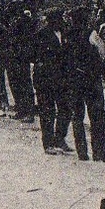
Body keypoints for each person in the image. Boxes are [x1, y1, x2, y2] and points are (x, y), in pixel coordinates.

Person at [64, 6, 105, 162]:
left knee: (77, 116)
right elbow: (101, 52)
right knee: (97, 116)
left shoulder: (68, 35)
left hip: (74, 80)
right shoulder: (92, 34)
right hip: (91, 79)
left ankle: (82, 152)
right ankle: (99, 152)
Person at [33, 8, 72, 154]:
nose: (61, 21)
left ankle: (60, 139)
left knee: (65, 109)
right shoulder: (41, 35)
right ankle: (48, 143)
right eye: (59, 18)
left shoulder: (66, 33)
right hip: (46, 79)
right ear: (52, 20)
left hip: (62, 78)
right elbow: (33, 55)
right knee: (47, 110)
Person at [3, 3, 39, 123]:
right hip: (14, 56)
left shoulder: (24, 22)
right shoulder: (15, 21)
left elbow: (23, 39)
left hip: (20, 56)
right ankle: (21, 109)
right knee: (16, 83)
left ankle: (28, 111)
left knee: (23, 83)